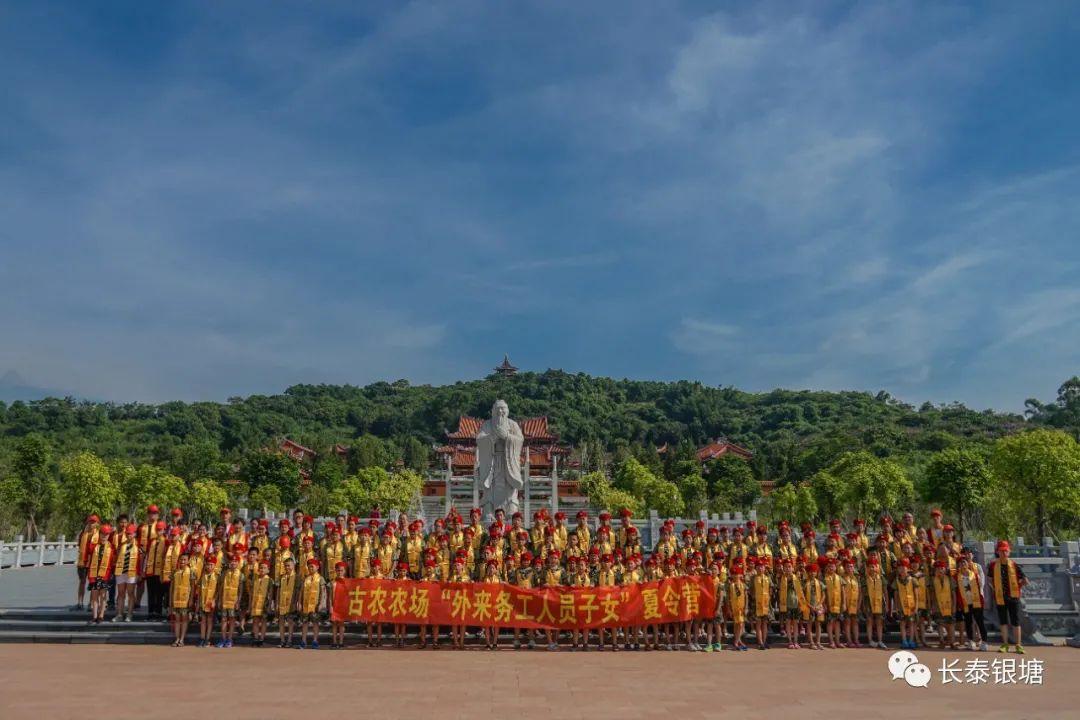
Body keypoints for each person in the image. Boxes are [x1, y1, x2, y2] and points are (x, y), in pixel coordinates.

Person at [987, 540, 1027, 654]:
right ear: (997, 552)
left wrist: (1018, 587)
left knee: (1015, 621)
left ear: (1009, 552)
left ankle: (1018, 644)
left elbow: (1025, 580)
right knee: (1003, 621)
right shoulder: (993, 565)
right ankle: (1005, 644)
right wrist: (995, 588)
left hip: (1013, 597)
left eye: (1006, 551)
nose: (1004, 553)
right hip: (1000, 597)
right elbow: (989, 579)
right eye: (1001, 551)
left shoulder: (1014, 565)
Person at [957, 554, 988, 651]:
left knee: (980, 622)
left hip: (977, 601)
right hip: (965, 603)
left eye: (964, 562)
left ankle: (984, 642)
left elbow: (981, 586)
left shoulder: (974, 574)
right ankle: (971, 641)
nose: (962, 564)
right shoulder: (956, 577)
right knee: (968, 622)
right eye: (960, 563)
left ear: (967, 563)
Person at [86, 524, 116, 625]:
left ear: (109, 535)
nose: (104, 536)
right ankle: (94, 616)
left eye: (106, 534)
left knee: (103, 596)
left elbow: (113, 562)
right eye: (102, 534)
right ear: (99, 534)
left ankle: (101, 615)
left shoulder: (111, 547)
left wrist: (112, 574)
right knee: (94, 596)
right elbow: (88, 559)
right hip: (93, 574)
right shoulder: (93, 546)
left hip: (105, 575)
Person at [169, 552, 196, 647]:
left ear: (188, 561)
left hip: (185, 599)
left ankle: (182, 638)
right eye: (181, 560)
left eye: (185, 560)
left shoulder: (191, 572)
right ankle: (176, 638)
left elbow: (193, 587)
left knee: (184, 619)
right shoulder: (175, 572)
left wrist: (191, 599)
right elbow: (171, 588)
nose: (183, 561)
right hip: (176, 599)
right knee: (177, 619)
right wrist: (170, 601)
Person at [75, 514, 101, 611]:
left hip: (93, 563)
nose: (91, 524)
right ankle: (80, 602)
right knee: (82, 582)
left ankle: (91, 603)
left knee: (93, 584)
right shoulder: (83, 533)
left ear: (97, 523)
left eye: (94, 522)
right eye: (90, 522)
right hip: (82, 563)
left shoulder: (99, 534)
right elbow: (79, 546)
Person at [298, 557, 325, 649]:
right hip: (305, 604)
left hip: (315, 605)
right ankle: (303, 640)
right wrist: (299, 602)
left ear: (317, 567)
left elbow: (323, 592)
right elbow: (301, 591)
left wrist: (321, 603)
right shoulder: (305, 578)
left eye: (312, 567)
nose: (311, 568)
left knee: (315, 623)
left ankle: (315, 640)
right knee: (305, 623)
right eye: (309, 567)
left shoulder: (320, 578)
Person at [196, 554, 221, 647]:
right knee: (203, 620)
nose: (209, 566)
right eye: (208, 564)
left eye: (211, 565)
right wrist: (198, 602)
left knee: (210, 620)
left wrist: (215, 600)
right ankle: (202, 638)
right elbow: (199, 590)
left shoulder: (217, 576)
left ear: (214, 566)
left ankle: (208, 638)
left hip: (211, 601)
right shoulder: (203, 576)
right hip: (203, 600)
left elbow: (218, 590)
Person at [931, 560, 957, 649]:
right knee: (940, 624)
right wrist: (933, 606)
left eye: (941, 568)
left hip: (949, 605)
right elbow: (932, 594)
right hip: (938, 605)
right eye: (938, 568)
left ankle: (952, 642)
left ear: (945, 569)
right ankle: (941, 641)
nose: (940, 570)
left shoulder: (950, 579)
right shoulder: (933, 580)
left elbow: (954, 593)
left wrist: (954, 606)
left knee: (951, 624)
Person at [893, 558, 919, 650]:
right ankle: (904, 641)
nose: (901, 570)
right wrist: (896, 607)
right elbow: (896, 595)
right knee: (902, 624)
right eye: (899, 568)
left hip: (911, 605)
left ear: (907, 568)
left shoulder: (913, 580)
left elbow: (916, 595)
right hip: (901, 606)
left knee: (911, 623)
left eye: (903, 567)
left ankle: (911, 641)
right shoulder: (896, 581)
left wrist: (916, 607)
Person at [248, 560, 273, 647]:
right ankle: (255, 637)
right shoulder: (255, 580)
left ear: (268, 570)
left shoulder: (269, 580)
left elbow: (270, 594)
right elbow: (251, 593)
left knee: (263, 621)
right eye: (261, 568)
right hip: (255, 603)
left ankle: (261, 638)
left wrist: (269, 606)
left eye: (264, 568)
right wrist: (250, 605)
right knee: (255, 621)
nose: (262, 569)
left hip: (264, 604)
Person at [276, 556, 300, 648]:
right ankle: (282, 640)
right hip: (282, 602)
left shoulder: (297, 577)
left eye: (289, 565)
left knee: (290, 621)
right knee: (281, 621)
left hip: (291, 602)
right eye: (285, 566)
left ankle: (289, 640)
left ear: (293, 566)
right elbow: (278, 590)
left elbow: (298, 591)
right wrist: (277, 603)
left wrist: (296, 602)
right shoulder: (281, 577)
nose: (287, 568)